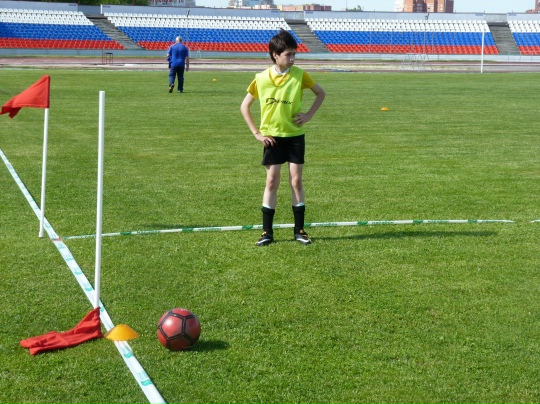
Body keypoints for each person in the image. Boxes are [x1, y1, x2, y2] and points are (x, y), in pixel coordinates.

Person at [240, 29, 326, 246]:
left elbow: (320, 93)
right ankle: (267, 232)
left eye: (294, 54)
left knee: (296, 181)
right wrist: (257, 133)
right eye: (288, 54)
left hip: (295, 136)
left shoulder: (300, 75)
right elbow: (244, 106)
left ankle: (300, 230)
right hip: (272, 138)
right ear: (275, 55)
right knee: (272, 181)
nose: (293, 58)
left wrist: (308, 115)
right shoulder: (261, 78)